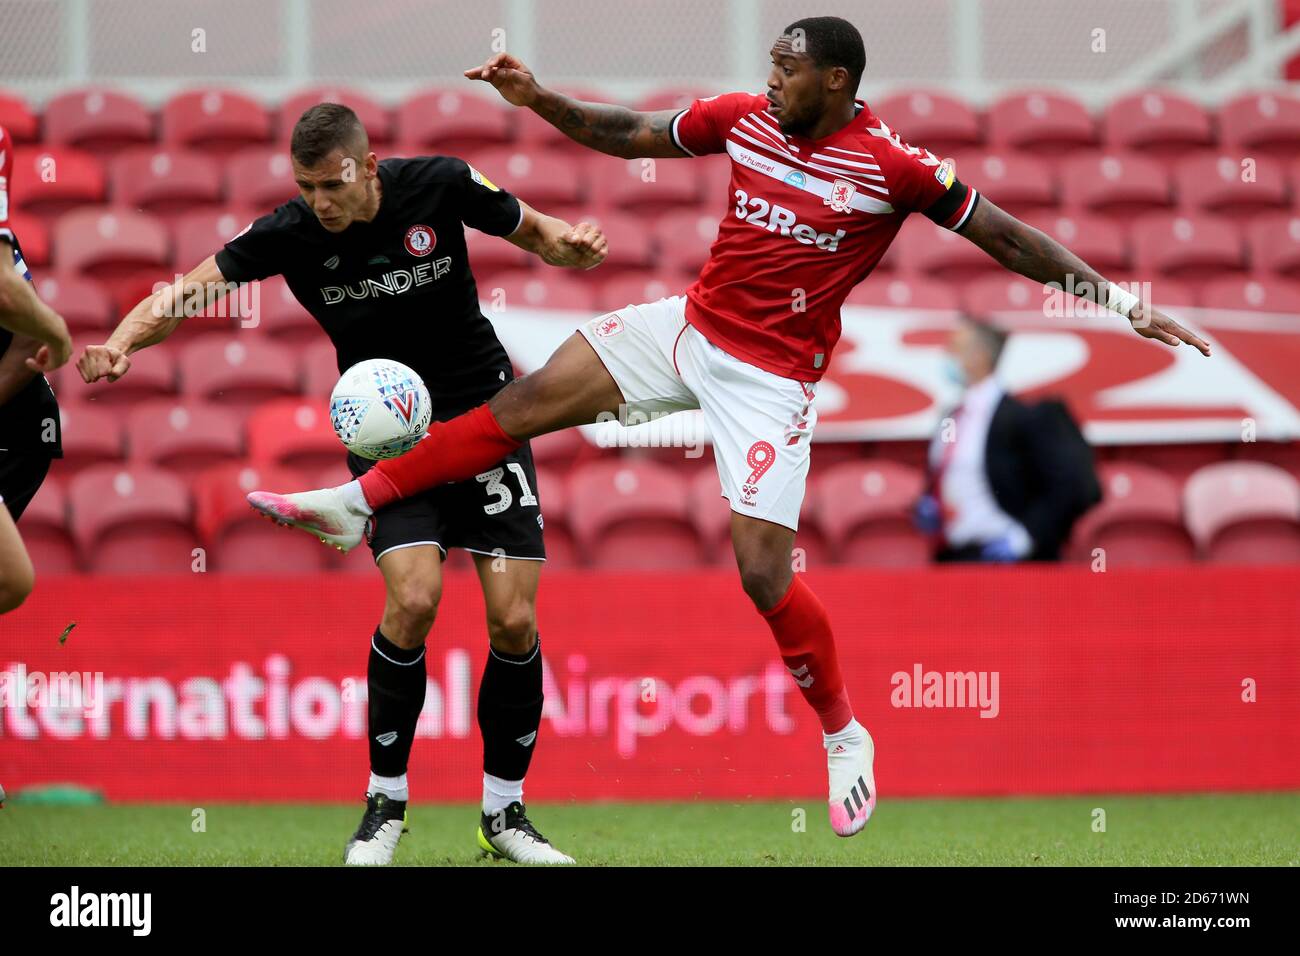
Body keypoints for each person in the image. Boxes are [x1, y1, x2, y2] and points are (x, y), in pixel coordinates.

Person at [245, 17, 1211, 837]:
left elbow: (1004, 235)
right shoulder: (745, 121)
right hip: (689, 329)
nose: (769, 78)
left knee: (760, 572)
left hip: (772, 380)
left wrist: (1116, 298)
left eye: (787, 68)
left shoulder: (893, 167)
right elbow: (627, 133)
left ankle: (843, 735)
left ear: (835, 80)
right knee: (519, 406)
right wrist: (537, 99)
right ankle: (352, 500)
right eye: (769, 65)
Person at [77, 104, 607, 865]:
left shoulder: (440, 184)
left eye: (331, 184)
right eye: (306, 185)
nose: (320, 201)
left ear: (367, 166)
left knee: (513, 622)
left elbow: (537, 231)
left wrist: (574, 247)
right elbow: (188, 291)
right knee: (415, 598)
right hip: (391, 439)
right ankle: (384, 803)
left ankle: (505, 813)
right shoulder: (288, 232)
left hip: (487, 418)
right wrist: (122, 341)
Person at [917, 317, 1093, 562]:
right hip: (956, 557)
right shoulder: (953, 416)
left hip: (1010, 561)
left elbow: (1072, 485)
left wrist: (1026, 537)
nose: (946, 354)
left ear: (980, 356)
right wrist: (929, 502)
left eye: (954, 348)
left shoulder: (1026, 417)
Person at [0, 125, 73, 614]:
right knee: (12, 580)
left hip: (22, 433)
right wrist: (58, 333)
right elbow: (5, 293)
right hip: (20, 432)